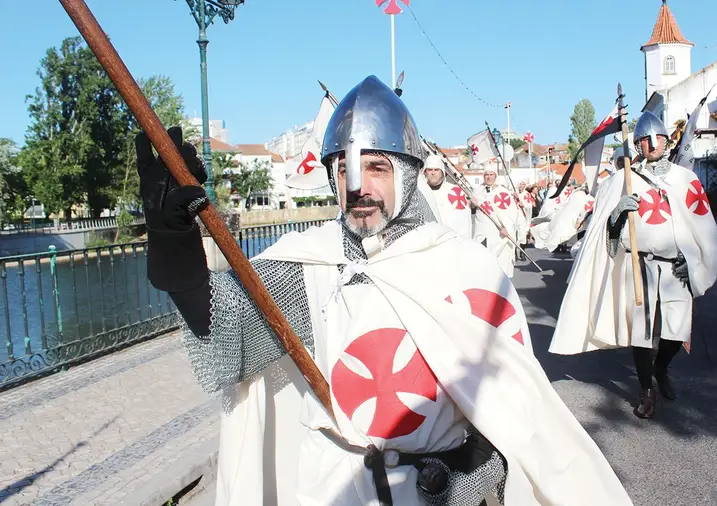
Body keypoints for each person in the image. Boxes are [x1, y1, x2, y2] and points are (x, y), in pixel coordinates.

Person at [138, 75, 632, 505]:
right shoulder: (309, 264)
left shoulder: (468, 269)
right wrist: (172, 244)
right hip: (330, 489)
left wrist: (466, 474)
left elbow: (512, 414)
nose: (359, 186)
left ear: (409, 175)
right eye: (345, 171)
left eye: (376, 168)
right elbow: (224, 332)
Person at [549, 112, 717, 419]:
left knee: (675, 332)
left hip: (676, 266)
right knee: (642, 332)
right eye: (645, 140)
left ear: (668, 142)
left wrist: (695, 260)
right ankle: (646, 390)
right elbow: (605, 231)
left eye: (657, 138)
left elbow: (703, 227)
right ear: (638, 145)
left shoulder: (686, 179)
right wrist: (617, 215)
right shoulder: (623, 180)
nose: (652, 144)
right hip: (640, 265)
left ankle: (661, 367)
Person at [473, 166, 519, 278]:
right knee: (483, 266)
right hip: (483, 233)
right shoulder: (477, 190)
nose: (488, 177)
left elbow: (511, 213)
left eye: (491, 174)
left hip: (499, 234)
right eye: (486, 175)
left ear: (496, 176)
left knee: (500, 266)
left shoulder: (503, 192)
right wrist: (472, 204)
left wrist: (507, 227)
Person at [419, 154, 474, 240]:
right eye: (430, 170)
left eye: (436, 170)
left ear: (442, 172)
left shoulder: (455, 191)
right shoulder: (419, 192)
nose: (433, 173)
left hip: (452, 242)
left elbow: (464, 223)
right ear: (425, 172)